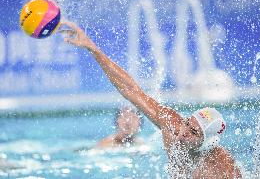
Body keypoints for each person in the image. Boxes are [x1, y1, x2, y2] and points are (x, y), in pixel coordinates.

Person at [59, 21, 242, 178]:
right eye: (187, 123)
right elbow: (131, 89)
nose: (184, 131)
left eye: (194, 132)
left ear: (206, 143)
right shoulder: (172, 125)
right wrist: (92, 48)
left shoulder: (220, 168)